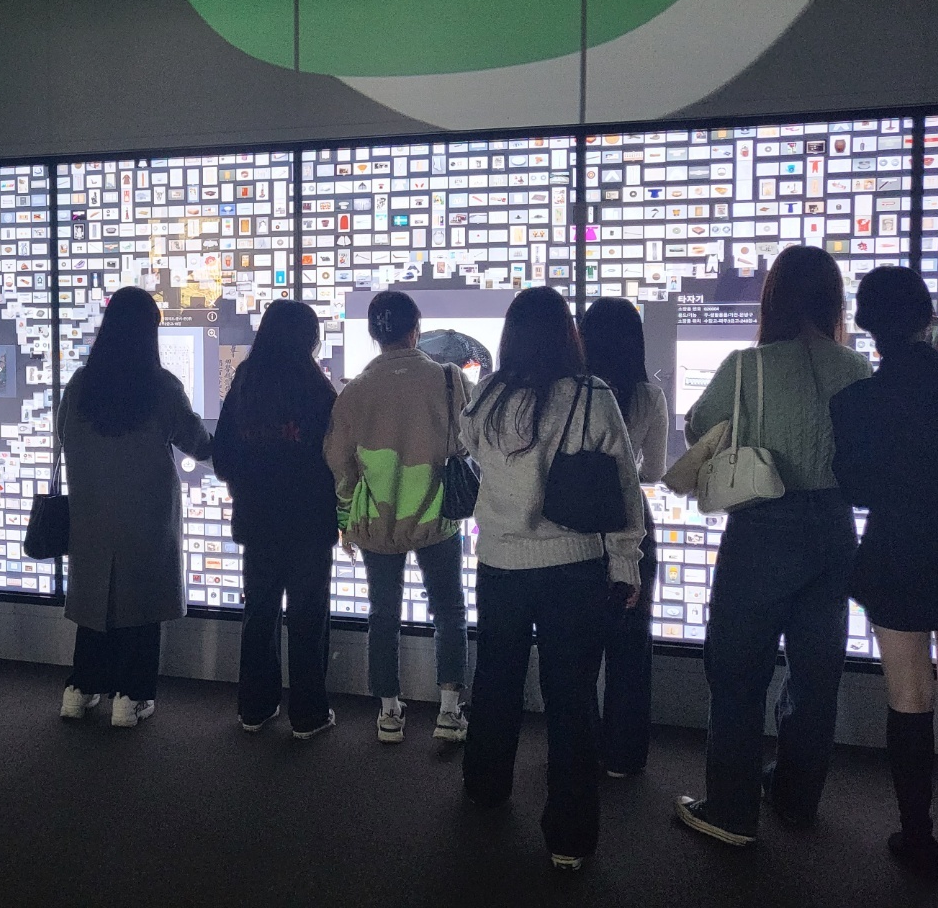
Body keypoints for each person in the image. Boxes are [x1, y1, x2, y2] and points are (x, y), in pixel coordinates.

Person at [674, 245, 871, 846]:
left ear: (774, 298)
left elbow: (699, 427)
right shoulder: (855, 366)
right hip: (835, 528)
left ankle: (731, 811)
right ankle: (796, 797)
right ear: (833, 300)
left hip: (764, 528)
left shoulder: (746, 366)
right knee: (816, 673)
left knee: (738, 670)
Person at [459, 286, 644, 872]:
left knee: (496, 681)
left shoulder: (487, 395)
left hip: (500, 566)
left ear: (510, 336)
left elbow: (469, 449)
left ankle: (486, 788)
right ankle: (570, 837)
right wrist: (626, 562)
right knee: (571, 699)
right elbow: (624, 489)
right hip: (575, 569)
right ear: (569, 334)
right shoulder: (593, 396)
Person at [831, 266, 938, 879]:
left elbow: (856, 490)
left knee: (909, 695)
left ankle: (918, 840)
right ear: (926, 316)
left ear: (867, 325)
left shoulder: (855, 402)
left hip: (896, 554)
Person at [57, 286, 211, 728]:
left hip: (91, 515)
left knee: (95, 606)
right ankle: (131, 697)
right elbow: (198, 443)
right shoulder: (161, 386)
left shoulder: (81, 384)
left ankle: (79, 690)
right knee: (142, 607)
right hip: (146, 518)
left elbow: (63, 434)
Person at [323, 291, 470, 745]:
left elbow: (339, 463)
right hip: (437, 518)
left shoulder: (355, 391)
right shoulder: (449, 379)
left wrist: (345, 518)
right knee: (448, 610)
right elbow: (469, 441)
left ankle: (388, 712)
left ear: (374, 335)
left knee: (383, 613)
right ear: (416, 330)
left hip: (377, 522)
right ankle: (449, 712)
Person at [214, 299, 337, 739]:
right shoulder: (317, 388)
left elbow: (223, 455)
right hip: (310, 520)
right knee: (308, 616)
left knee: (260, 612)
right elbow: (335, 457)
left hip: (258, 519)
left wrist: (246, 481)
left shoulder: (247, 380)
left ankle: (255, 708)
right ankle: (308, 715)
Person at [580, 297, 668, 777]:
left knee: (576, 645)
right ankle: (623, 756)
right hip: (632, 524)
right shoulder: (648, 397)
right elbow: (651, 471)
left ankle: (576, 746)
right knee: (630, 645)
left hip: (575, 526)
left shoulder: (574, 392)